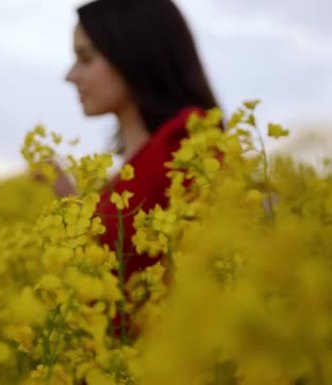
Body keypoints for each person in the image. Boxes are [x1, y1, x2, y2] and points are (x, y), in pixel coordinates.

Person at [61, 0, 219, 338]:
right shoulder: (142, 162)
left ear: (132, 56)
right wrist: (71, 204)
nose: (70, 75)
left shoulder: (186, 141)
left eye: (86, 58)